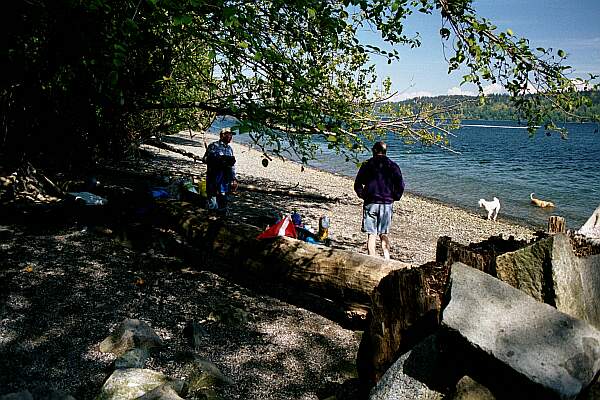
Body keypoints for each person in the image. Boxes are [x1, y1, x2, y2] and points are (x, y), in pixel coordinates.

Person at [353, 141, 404, 260]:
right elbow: (400, 185)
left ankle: (372, 260)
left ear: (374, 150)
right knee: (383, 234)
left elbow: (358, 183)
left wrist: (363, 195)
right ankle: (386, 260)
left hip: (371, 202)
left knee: (372, 235)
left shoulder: (367, 164)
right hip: (386, 203)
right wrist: (395, 196)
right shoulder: (393, 166)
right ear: (385, 151)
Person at [204, 127, 238, 214]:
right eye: (228, 134)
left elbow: (232, 166)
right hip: (213, 177)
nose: (230, 136)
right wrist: (218, 160)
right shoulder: (213, 146)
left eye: (231, 135)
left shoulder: (230, 149)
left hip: (225, 179)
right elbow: (205, 159)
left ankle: (221, 221)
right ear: (222, 135)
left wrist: (234, 178)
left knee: (223, 201)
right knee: (213, 201)